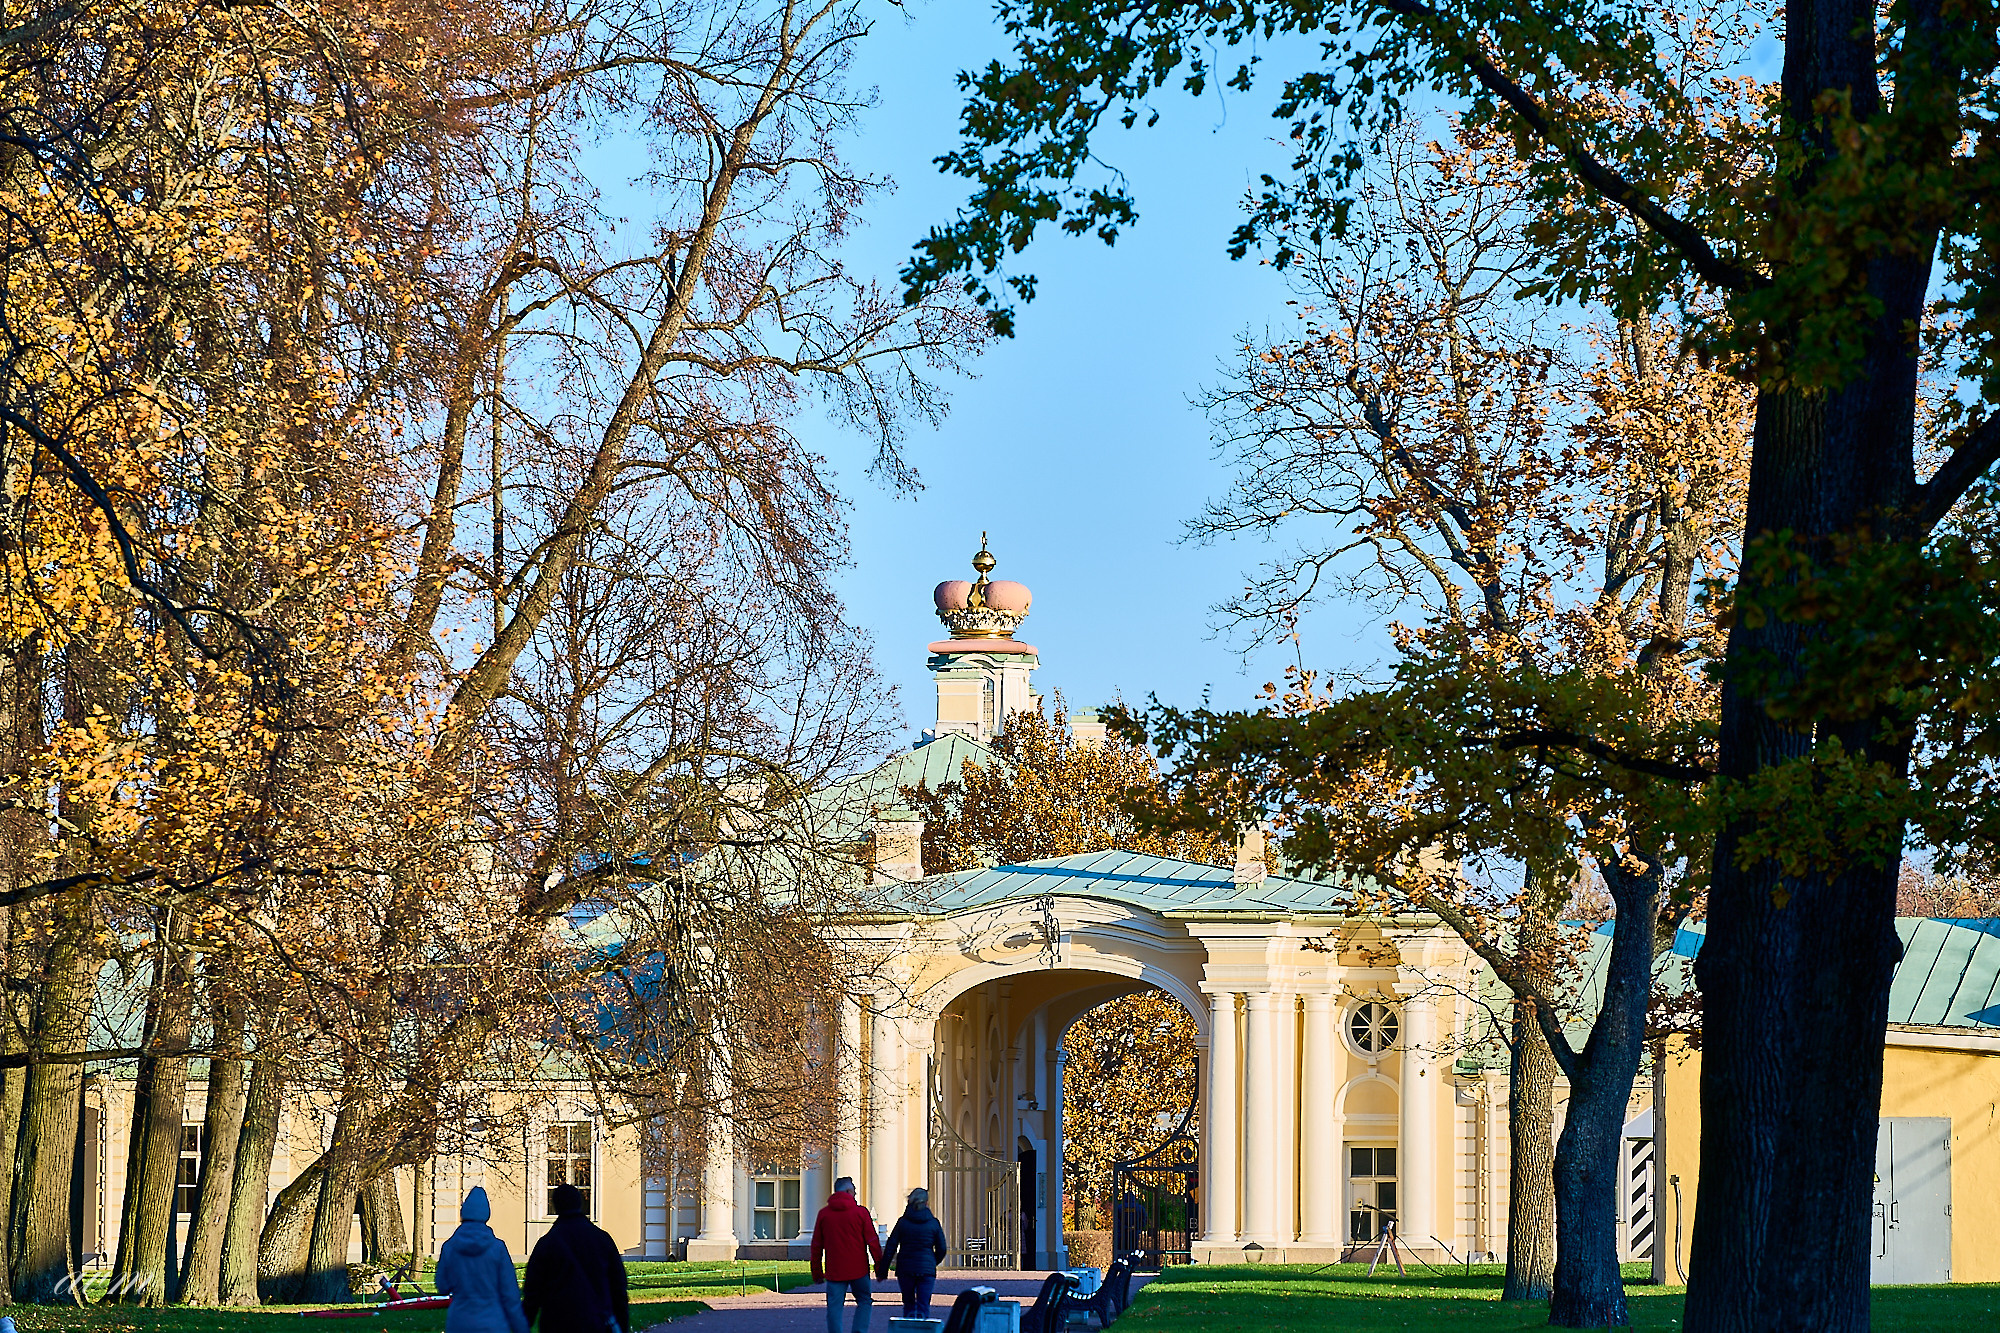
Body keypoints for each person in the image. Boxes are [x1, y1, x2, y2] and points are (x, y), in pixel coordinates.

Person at [523, 1182, 631, 1333]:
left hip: (557, 1325)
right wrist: (622, 1324)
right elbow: (618, 1288)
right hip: (597, 1323)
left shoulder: (547, 1243)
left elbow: (532, 1293)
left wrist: (524, 1323)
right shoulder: (602, 1239)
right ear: (580, 1203)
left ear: (555, 1206)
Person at [435, 1186, 529, 1333]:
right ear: (486, 1214)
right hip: (493, 1322)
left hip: (459, 1321)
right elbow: (510, 1294)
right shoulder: (498, 1248)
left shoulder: (449, 1247)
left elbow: (442, 1286)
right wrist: (521, 1328)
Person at [809, 1176, 883, 1333]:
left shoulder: (824, 1214)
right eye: (854, 1192)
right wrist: (879, 1267)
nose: (855, 1195)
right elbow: (873, 1242)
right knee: (864, 1301)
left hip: (835, 1270)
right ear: (849, 1191)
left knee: (835, 1308)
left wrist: (816, 1272)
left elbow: (816, 1246)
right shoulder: (861, 1212)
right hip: (859, 1269)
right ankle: (859, 1331)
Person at [877, 1187, 948, 1319]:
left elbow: (890, 1247)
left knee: (908, 1305)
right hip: (926, 1269)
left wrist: (883, 1271)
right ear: (926, 1203)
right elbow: (942, 1248)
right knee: (923, 1305)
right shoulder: (933, 1223)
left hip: (906, 1268)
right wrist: (932, 1261)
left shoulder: (902, 1222)